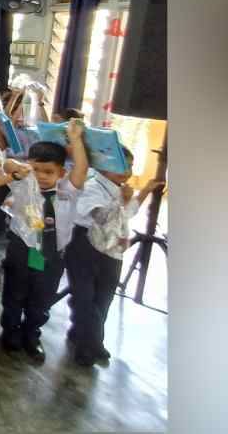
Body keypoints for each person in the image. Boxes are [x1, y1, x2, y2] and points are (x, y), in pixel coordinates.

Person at [0, 124, 89, 363]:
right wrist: (17, 169)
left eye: (48, 171)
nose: (41, 176)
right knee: (14, 293)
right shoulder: (22, 182)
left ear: (61, 173)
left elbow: (81, 168)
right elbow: (2, 170)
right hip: (22, 248)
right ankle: (10, 332)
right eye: (36, 169)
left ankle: (32, 335)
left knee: (41, 297)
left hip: (50, 254)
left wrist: (76, 140)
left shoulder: (67, 192)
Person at [67, 154, 162, 367]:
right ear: (102, 166)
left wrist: (145, 189)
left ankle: (86, 337)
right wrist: (123, 200)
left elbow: (126, 214)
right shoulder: (92, 186)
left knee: (103, 297)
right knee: (86, 298)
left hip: (112, 250)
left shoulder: (119, 188)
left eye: (130, 165)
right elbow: (100, 217)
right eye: (120, 164)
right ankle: (87, 346)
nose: (127, 170)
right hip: (85, 245)